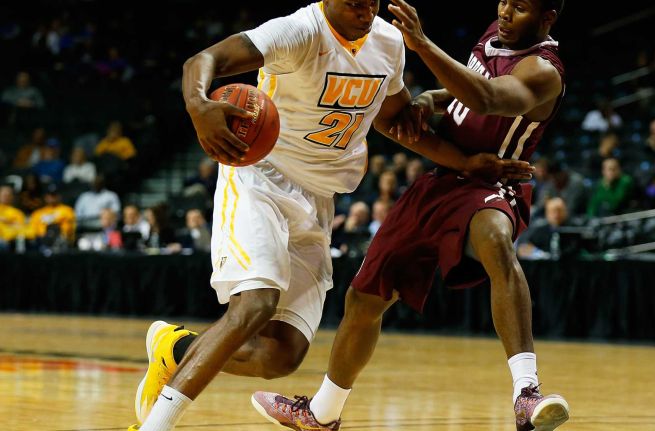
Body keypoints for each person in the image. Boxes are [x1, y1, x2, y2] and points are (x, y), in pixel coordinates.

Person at [127, 1, 528, 430]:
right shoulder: (297, 31)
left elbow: (393, 121)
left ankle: (176, 348)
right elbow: (203, 60)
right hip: (259, 179)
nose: (364, 7)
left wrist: (464, 164)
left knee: (281, 355)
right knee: (255, 305)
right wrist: (197, 104)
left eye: (370, 0)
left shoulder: (390, 42)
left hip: (319, 197)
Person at [252, 1, 569, 430]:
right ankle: (322, 414)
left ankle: (526, 393)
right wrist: (427, 99)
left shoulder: (544, 71)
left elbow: (488, 97)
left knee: (495, 241)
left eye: (522, 7)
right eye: (505, 1)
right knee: (364, 298)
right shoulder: (496, 31)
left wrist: (420, 44)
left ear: (547, 18)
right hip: (441, 178)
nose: (508, 12)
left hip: (491, 180)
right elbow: (463, 93)